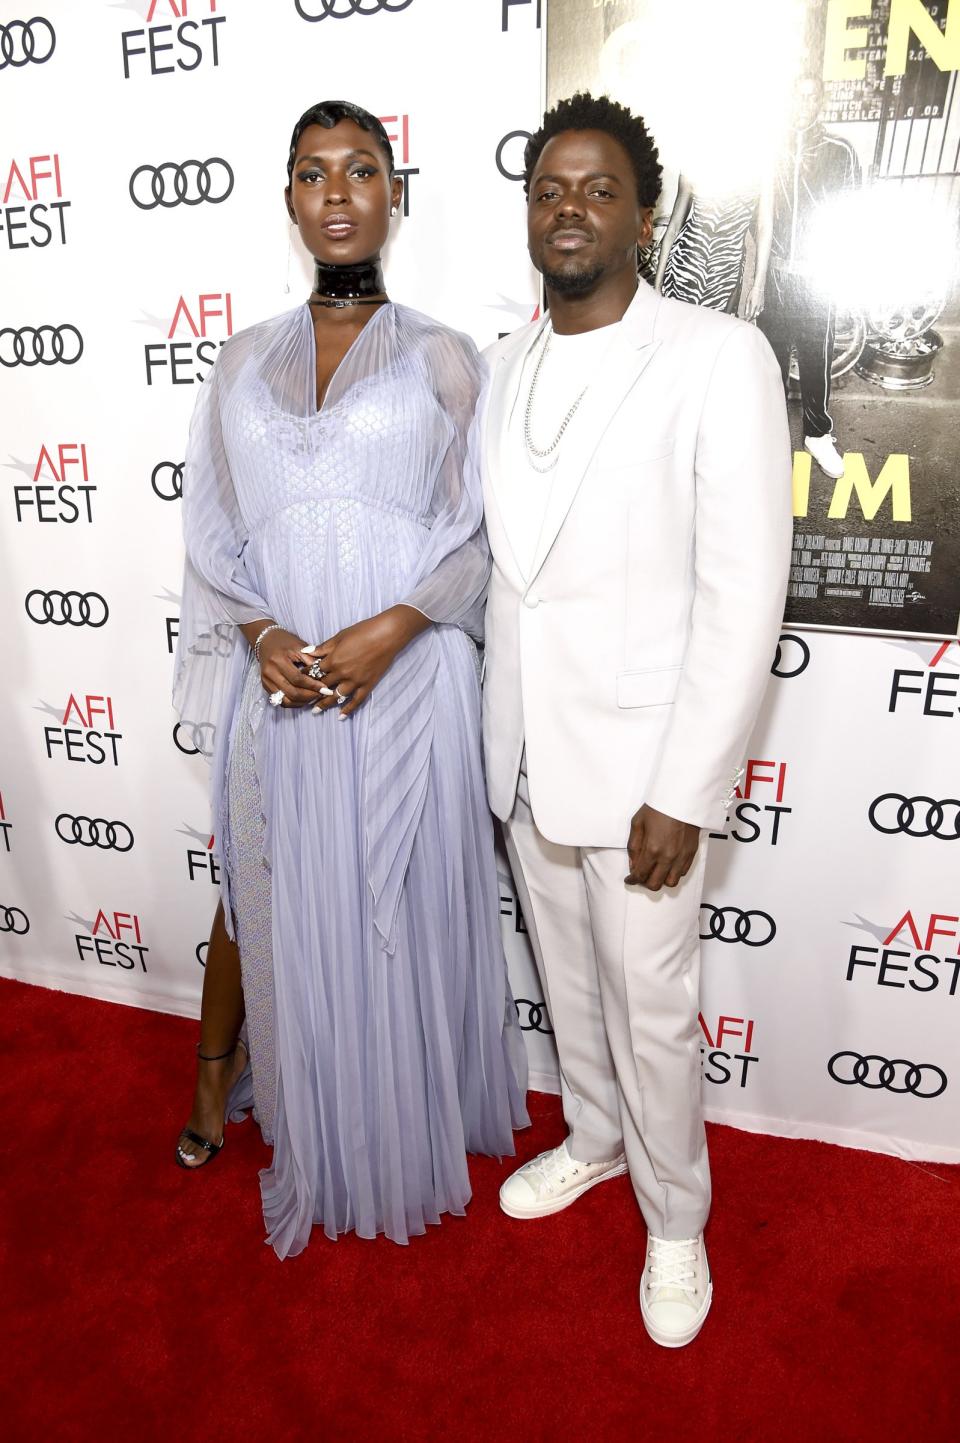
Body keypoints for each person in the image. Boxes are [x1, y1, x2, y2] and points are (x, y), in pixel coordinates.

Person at [172, 100, 527, 1258]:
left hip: (405, 681)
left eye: (361, 170)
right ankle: (254, 1082)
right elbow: (213, 539)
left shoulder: (443, 355)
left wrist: (398, 626)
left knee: (395, 910)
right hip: (278, 687)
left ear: (395, 195)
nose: (337, 192)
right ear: (288, 203)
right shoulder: (237, 361)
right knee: (271, 887)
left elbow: (482, 538)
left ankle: (394, 1116)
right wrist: (261, 628)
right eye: (313, 174)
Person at [479, 92, 792, 1347]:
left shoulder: (720, 356)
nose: (571, 208)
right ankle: (596, 1139)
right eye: (551, 188)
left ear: (645, 216)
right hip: (526, 753)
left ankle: (677, 1223)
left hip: (650, 769)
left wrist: (690, 786)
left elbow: (743, 592)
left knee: (653, 1006)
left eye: (599, 189)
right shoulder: (503, 364)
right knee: (569, 984)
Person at [751, 74, 861, 481]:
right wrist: (759, 280)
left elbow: (850, 220)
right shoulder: (771, 152)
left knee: (816, 360)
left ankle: (818, 434)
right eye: (797, 96)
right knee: (772, 363)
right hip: (778, 274)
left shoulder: (840, 152)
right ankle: (772, 438)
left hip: (817, 280)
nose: (804, 104)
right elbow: (759, 218)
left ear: (822, 101)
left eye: (811, 97)